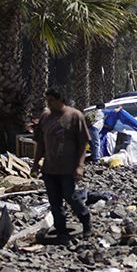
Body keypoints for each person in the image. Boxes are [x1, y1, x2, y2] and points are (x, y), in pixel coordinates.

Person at [31, 88, 92, 241]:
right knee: (54, 200)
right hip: (50, 168)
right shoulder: (45, 117)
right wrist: (36, 163)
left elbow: (83, 143)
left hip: (67, 167)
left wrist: (80, 166)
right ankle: (61, 231)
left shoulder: (74, 116)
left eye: (52, 101)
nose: (49, 104)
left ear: (60, 100)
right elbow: (40, 143)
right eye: (48, 101)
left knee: (70, 196)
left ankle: (86, 221)